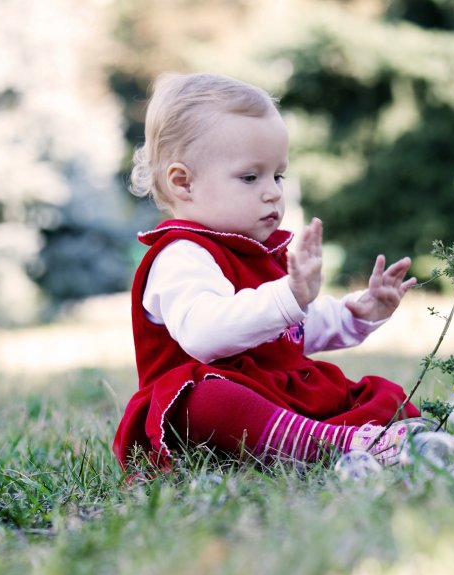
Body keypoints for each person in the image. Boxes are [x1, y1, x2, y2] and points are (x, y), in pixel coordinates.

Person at [112, 72, 423, 471]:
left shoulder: (259, 252)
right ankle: (335, 444)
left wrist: (355, 314)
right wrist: (287, 297)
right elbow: (205, 335)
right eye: (250, 177)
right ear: (183, 183)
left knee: (381, 395)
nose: (273, 191)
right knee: (206, 402)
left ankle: (343, 436)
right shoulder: (180, 256)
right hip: (215, 410)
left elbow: (286, 337)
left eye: (278, 175)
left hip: (272, 397)